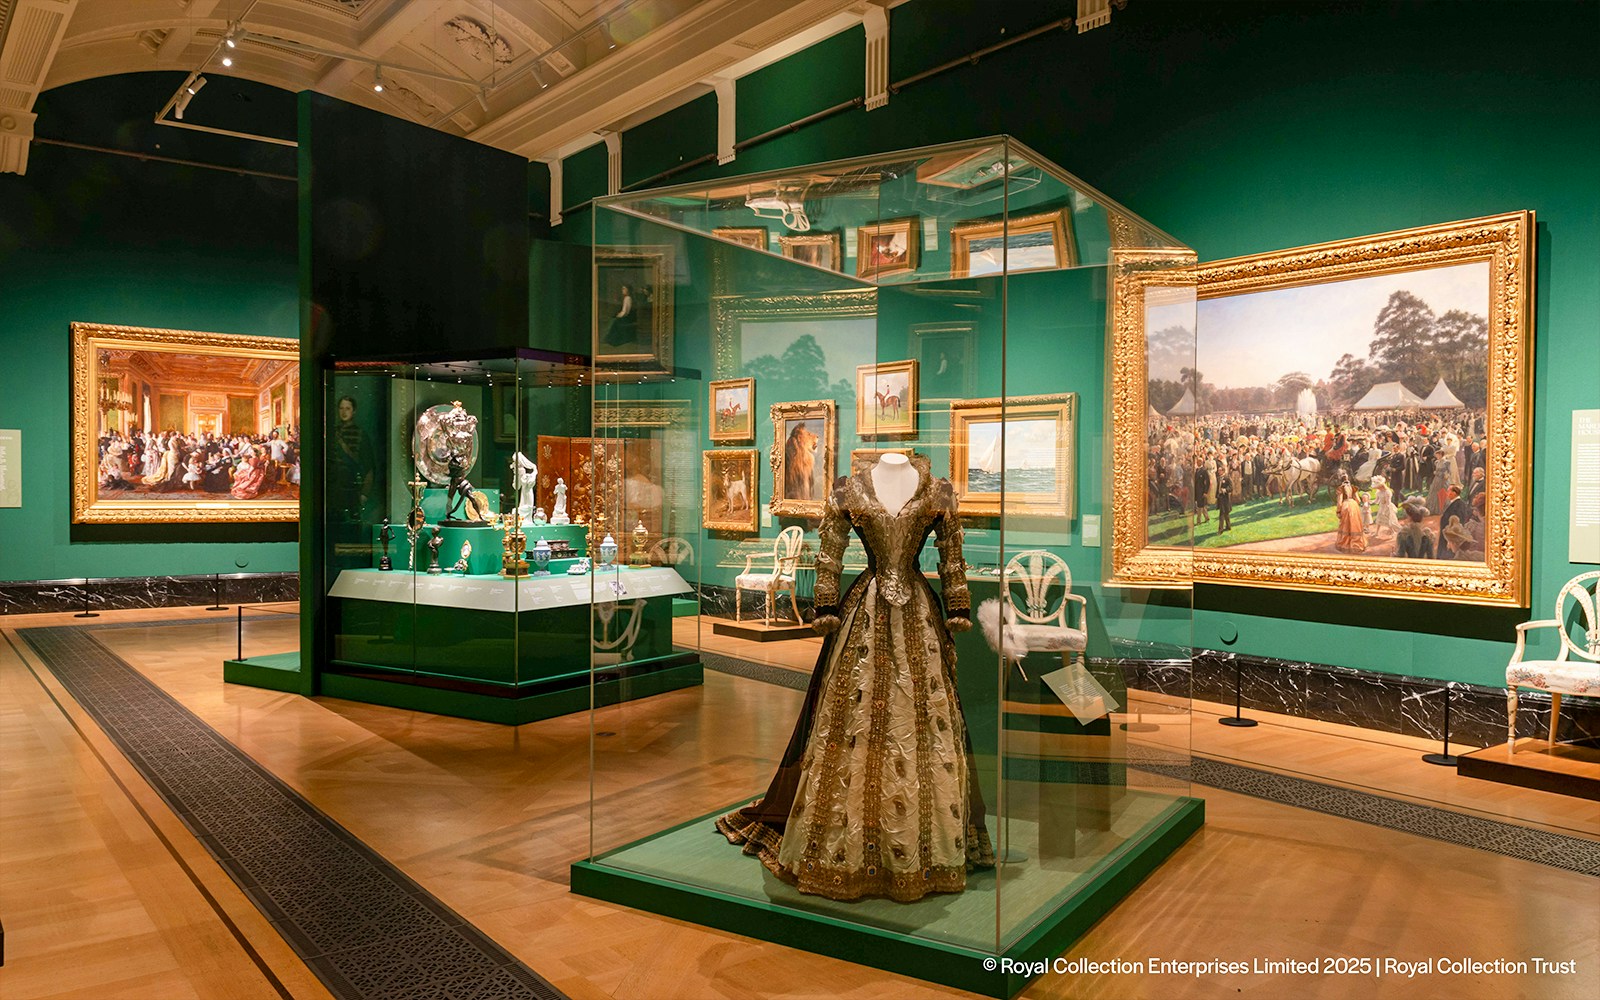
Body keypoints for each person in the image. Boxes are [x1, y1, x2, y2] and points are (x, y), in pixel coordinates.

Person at [716, 453, 994, 901]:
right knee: (851, 717)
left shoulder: (938, 490)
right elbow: (829, 547)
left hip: (918, 609)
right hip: (863, 608)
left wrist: (958, 605)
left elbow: (952, 553)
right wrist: (824, 604)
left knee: (921, 718)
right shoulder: (850, 488)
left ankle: (925, 844)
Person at [1334, 473, 1367, 553]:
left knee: (1346, 524)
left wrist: (1338, 510)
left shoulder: (1341, 488)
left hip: (1346, 506)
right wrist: (1361, 504)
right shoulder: (1352, 487)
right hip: (1354, 505)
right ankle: (1356, 542)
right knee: (1354, 523)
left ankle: (1346, 542)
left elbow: (1339, 501)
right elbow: (1357, 499)